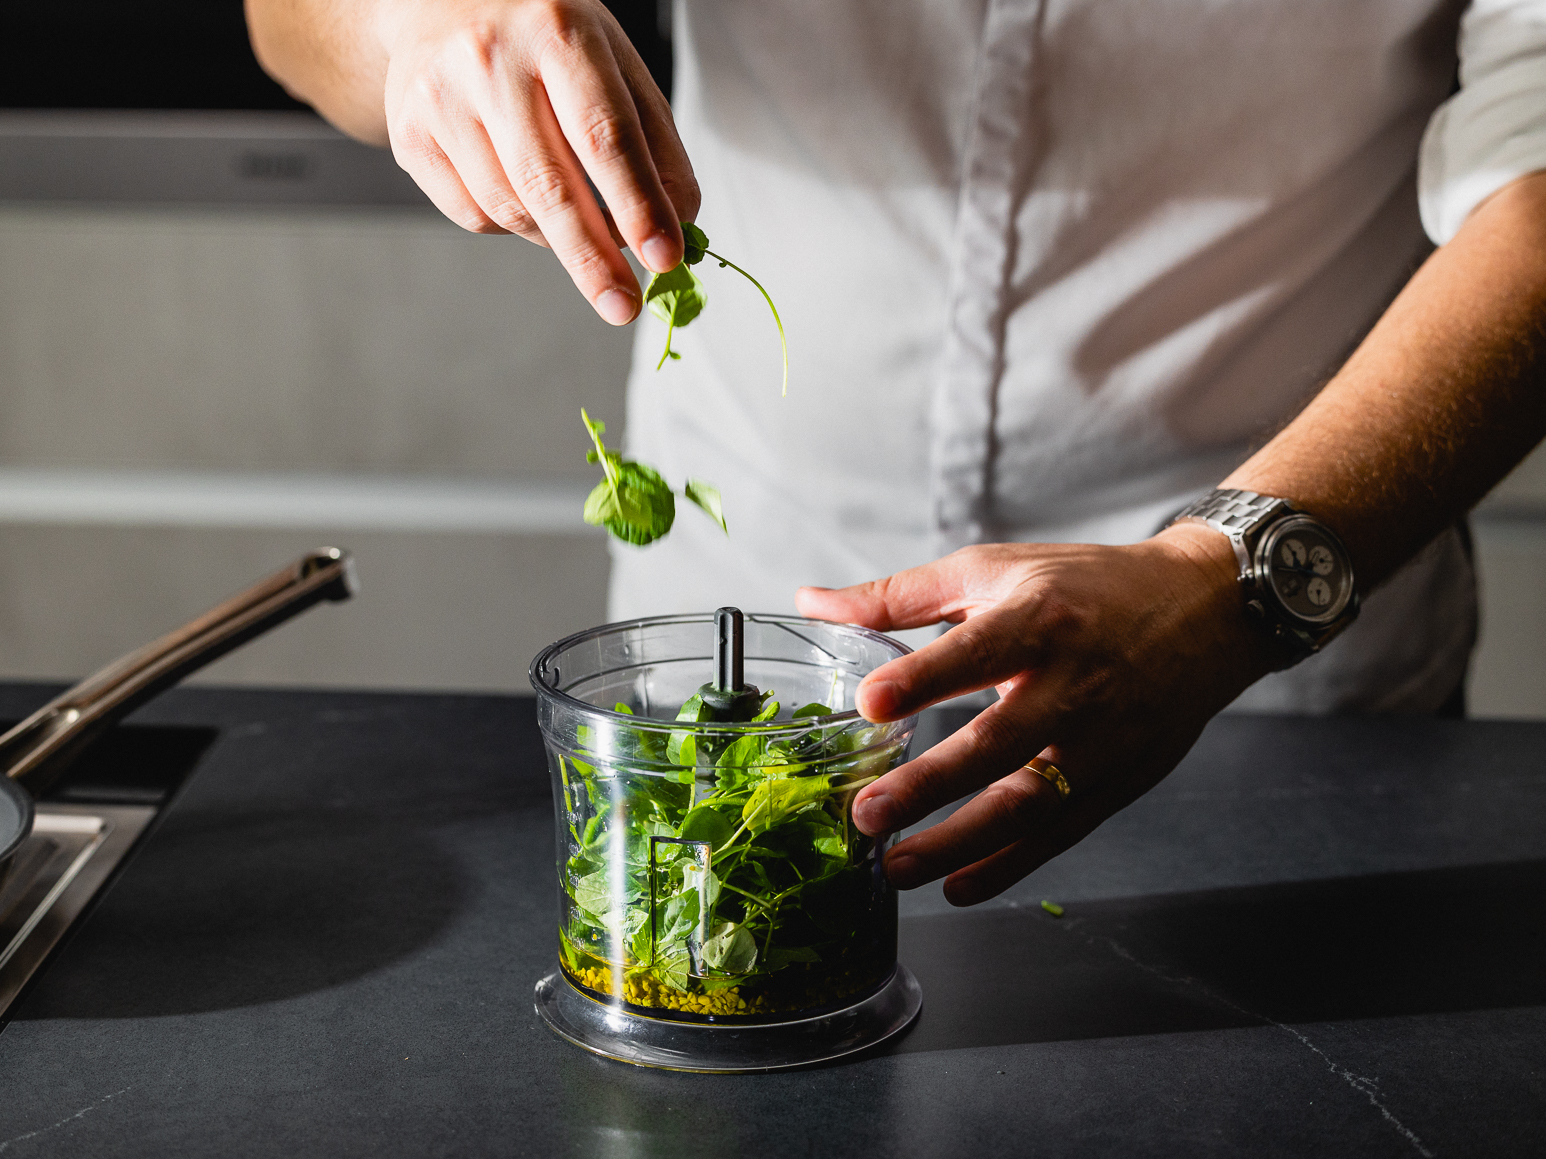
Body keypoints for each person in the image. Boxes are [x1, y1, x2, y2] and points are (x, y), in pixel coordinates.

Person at [248, 0, 1546, 905]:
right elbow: (294, 15)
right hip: (738, 619)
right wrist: (413, 25)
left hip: (1257, 659)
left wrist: (1230, 579)